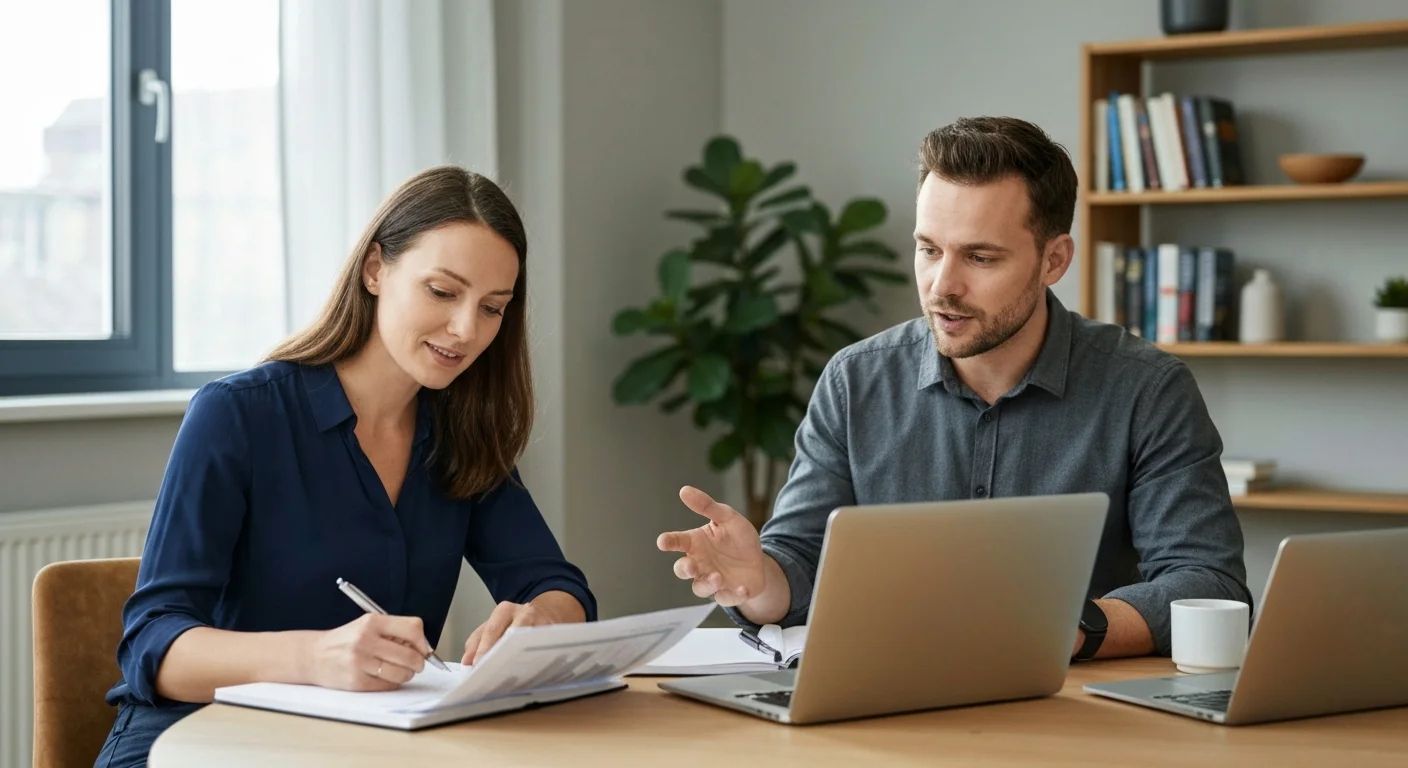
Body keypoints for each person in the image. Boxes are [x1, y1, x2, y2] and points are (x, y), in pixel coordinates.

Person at [658, 116, 1250, 661]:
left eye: (980, 257)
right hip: (888, 704)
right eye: (928, 250)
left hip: (1074, 705)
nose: (943, 285)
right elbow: (801, 563)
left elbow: (1206, 582)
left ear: (1054, 260)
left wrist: (1070, 628)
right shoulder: (855, 380)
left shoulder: (1147, 388)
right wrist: (759, 579)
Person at [96, 166, 594, 767]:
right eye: (442, 292)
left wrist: (539, 621)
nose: (466, 329)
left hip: (363, 748)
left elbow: (560, 587)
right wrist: (313, 658)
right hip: (198, 739)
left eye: (493, 308)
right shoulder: (238, 415)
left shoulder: (461, 434)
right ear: (376, 269)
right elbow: (153, 645)